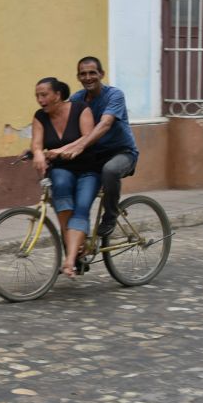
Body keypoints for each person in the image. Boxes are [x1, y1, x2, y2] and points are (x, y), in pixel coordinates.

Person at [52, 57, 139, 237]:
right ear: (78, 77)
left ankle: (110, 216)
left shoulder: (115, 95)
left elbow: (105, 124)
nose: (88, 77)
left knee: (110, 170)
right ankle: (79, 243)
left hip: (122, 153)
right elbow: (64, 126)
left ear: (101, 74)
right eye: (83, 74)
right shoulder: (76, 99)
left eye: (92, 73)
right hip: (93, 157)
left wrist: (81, 144)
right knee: (74, 192)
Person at [31, 77, 100, 277]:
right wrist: (37, 153)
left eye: (43, 95)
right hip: (62, 169)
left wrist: (61, 150)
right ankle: (75, 245)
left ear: (57, 95)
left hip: (88, 169)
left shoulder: (80, 109)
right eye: (37, 96)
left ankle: (69, 261)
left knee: (82, 207)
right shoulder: (40, 116)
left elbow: (87, 138)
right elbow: (37, 143)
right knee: (59, 185)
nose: (40, 99)